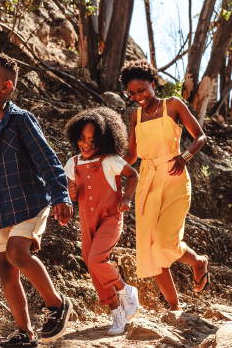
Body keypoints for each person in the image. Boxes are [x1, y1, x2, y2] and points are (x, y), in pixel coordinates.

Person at [0, 52, 74, 347]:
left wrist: (60, 194)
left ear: (6, 87)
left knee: (17, 253)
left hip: (28, 201)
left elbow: (47, 159)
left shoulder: (20, 120)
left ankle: (57, 306)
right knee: (5, 268)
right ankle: (24, 332)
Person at [121, 60, 209, 311]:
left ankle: (198, 262)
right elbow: (132, 154)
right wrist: (108, 165)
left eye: (142, 90)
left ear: (153, 84)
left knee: (163, 243)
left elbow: (200, 136)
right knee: (149, 249)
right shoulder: (135, 115)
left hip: (174, 178)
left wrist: (185, 157)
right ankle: (174, 307)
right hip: (147, 183)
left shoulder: (173, 104)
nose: (138, 96)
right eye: (132, 93)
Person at [63, 107, 140, 335]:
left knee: (97, 260)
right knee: (92, 265)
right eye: (82, 138)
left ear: (105, 140)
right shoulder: (72, 163)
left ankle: (126, 290)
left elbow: (133, 175)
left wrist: (126, 198)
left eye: (93, 140)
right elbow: (72, 196)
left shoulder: (110, 160)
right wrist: (72, 192)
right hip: (87, 223)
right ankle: (116, 311)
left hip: (110, 217)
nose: (86, 144)